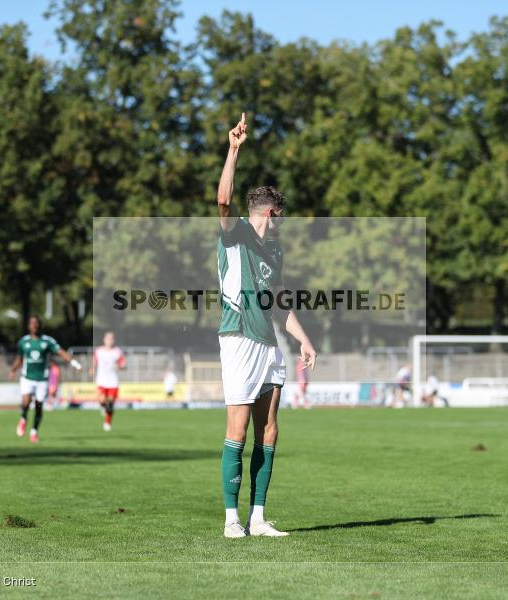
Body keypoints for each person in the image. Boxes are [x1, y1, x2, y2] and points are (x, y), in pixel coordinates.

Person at [216, 112, 317, 538]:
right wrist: (233, 150)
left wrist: (305, 341)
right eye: (281, 217)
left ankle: (258, 517)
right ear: (271, 212)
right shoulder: (234, 233)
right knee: (237, 430)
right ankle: (231, 520)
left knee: (270, 428)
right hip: (239, 339)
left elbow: (279, 304)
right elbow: (222, 200)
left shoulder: (274, 254)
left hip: (270, 343)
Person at [9, 316, 81, 443]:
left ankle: (34, 431)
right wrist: (13, 370)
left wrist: (73, 362)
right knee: (25, 402)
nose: (34, 325)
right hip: (27, 378)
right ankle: (23, 418)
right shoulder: (23, 342)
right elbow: (19, 359)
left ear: (40, 325)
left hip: (42, 379)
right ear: (28, 326)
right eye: (32, 323)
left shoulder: (47, 341)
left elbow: (60, 352)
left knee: (38, 406)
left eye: (36, 323)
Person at [91, 331, 126, 432]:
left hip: (113, 382)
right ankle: (102, 406)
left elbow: (124, 363)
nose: (109, 341)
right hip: (101, 381)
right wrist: (92, 368)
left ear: (113, 340)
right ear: (104, 340)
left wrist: (119, 366)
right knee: (102, 400)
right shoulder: (99, 351)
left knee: (110, 404)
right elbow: (94, 361)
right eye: (108, 338)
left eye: (111, 339)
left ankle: (107, 423)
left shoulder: (117, 351)